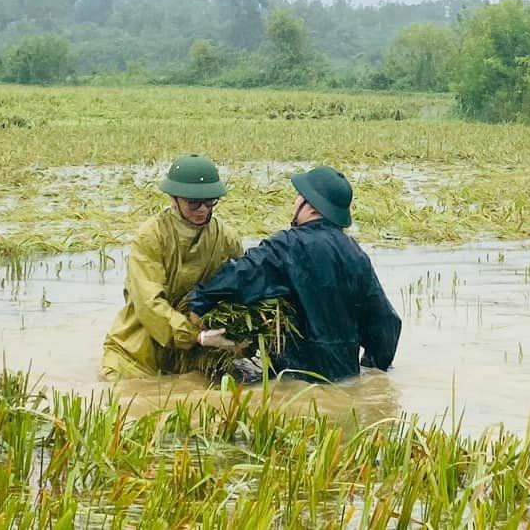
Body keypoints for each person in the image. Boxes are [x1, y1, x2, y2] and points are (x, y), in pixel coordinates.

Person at [188, 165, 401, 382]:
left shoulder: (287, 245)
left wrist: (199, 302)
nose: (295, 202)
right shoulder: (355, 253)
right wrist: (372, 368)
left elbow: (240, 275)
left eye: (299, 197)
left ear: (310, 206)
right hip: (345, 376)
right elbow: (386, 323)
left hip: (296, 378)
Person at [101, 155, 243, 380]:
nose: (203, 210)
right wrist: (196, 336)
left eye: (210, 202)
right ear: (172, 198)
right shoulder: (151, 237)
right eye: (194, 203)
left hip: (191, 356)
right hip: (136, 354)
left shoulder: (226, 237)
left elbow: (242, 284)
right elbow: (149, 303)